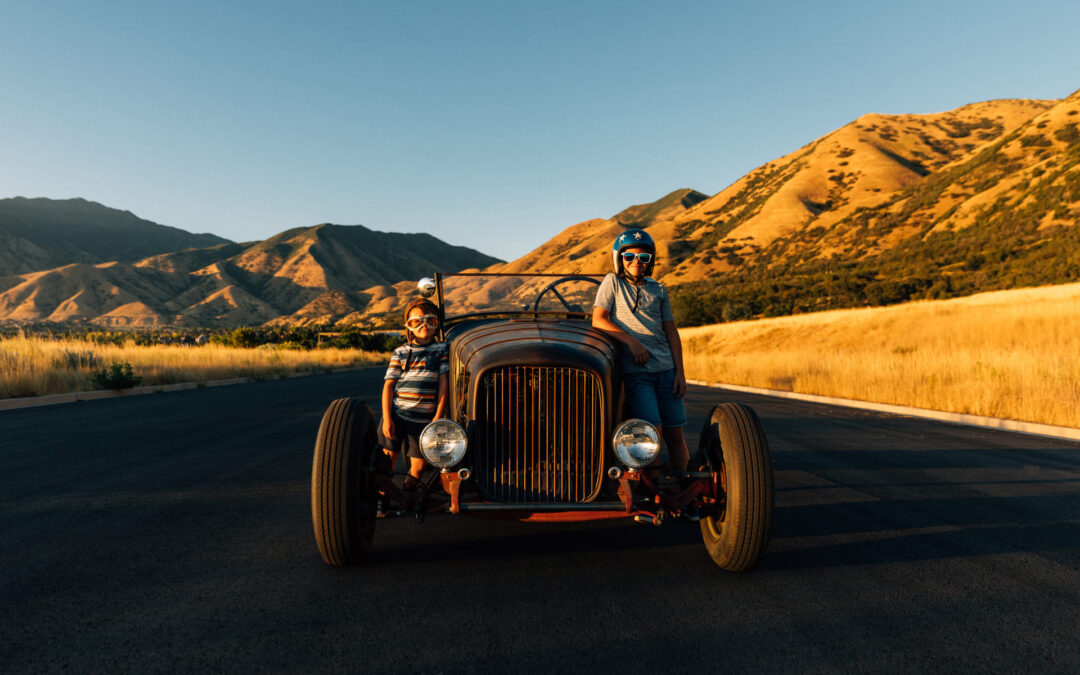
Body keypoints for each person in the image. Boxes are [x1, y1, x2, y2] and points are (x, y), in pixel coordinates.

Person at [592, 228, 690, 472]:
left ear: (650, 261)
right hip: (638, 373)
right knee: (650, 434)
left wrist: (680, 372)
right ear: (619, 258)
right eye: (629, 256)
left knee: (675, 433)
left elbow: (671, 331)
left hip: (666, 369)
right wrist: (632, 342)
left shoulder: (659, 289)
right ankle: (654, 486)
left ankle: (682, 482)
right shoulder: (613, 283)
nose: (637, 261)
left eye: (644, 257)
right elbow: (598, 319)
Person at [379, 297, 449, 496]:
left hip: (425, 420)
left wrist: (438, 416)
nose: (423, 325)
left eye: (430, 320)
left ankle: (407, 496)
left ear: (436, 323)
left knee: (418, 466)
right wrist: (387, 418)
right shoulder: (401, 352)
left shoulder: (442, 350)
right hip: (398, 415)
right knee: (387, 461)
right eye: (416, 321)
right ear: (408, 326)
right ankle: (382, 499)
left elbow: (444, 384)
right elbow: (388, 386)